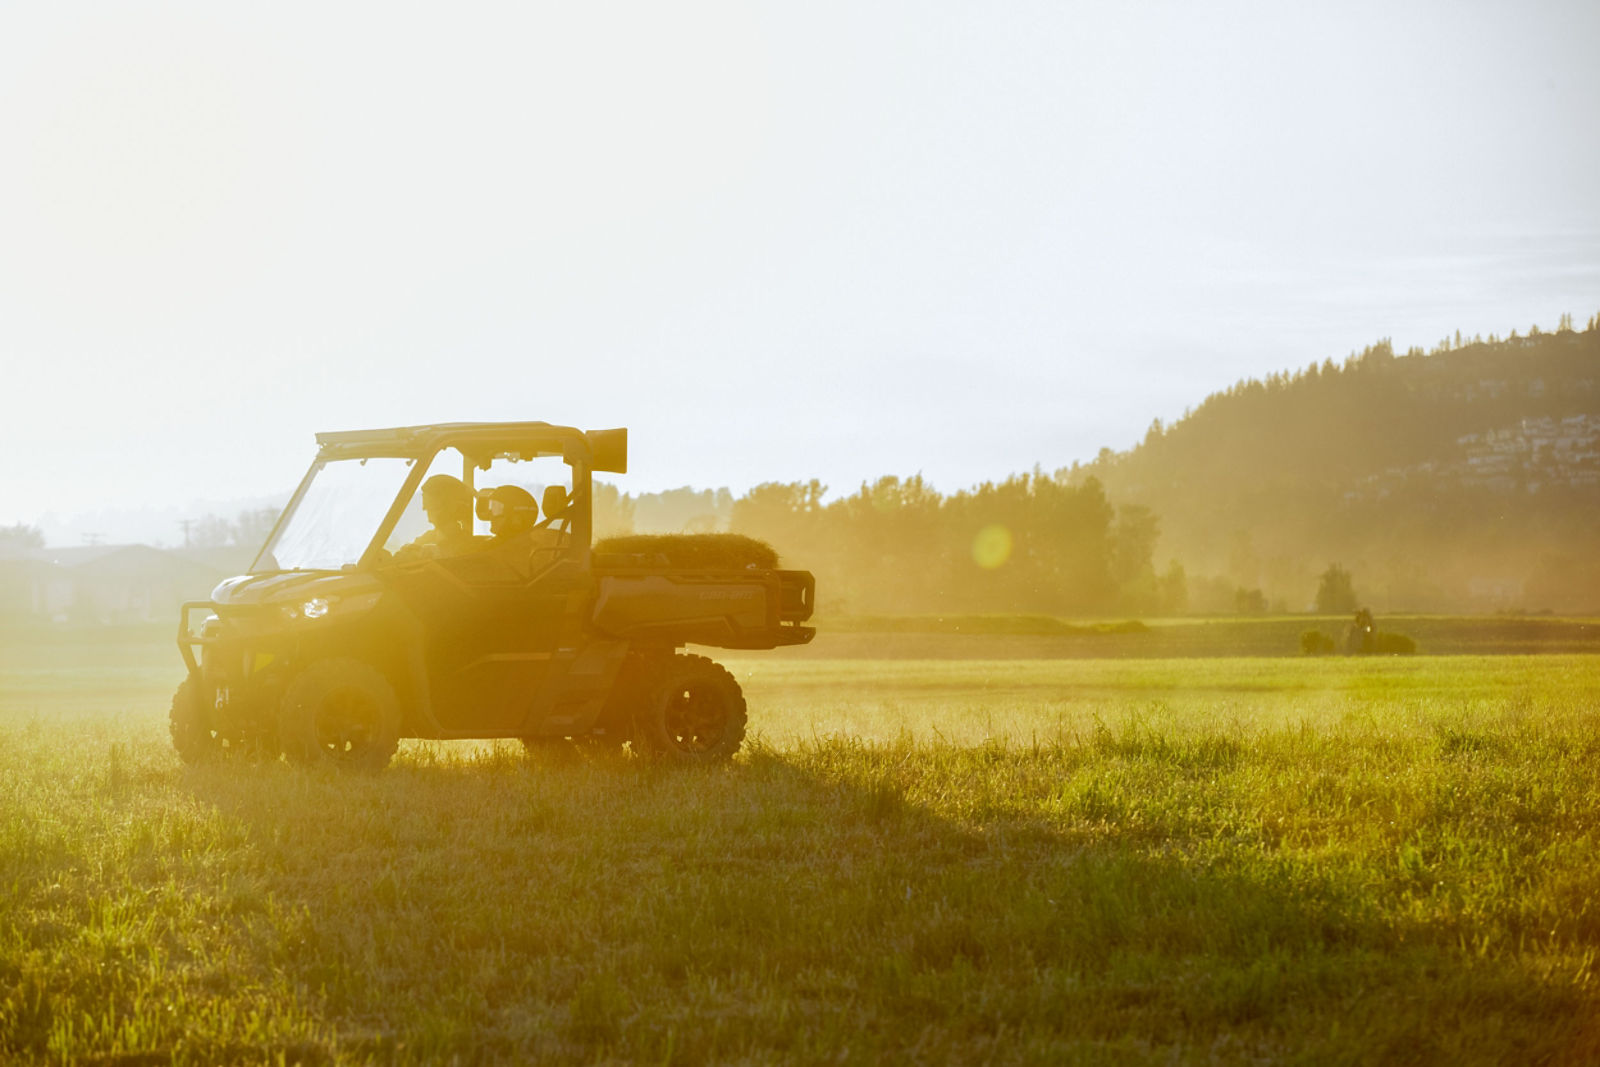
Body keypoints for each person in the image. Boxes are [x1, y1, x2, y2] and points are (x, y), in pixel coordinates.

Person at [395, 474, 476, 561]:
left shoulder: (469, 546)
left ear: (452, 506)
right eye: (426, 504)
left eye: (431, 505)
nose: (424, 508)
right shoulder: (426, 538)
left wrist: (438, 555)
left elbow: (461, 563)